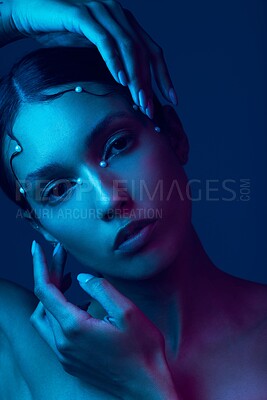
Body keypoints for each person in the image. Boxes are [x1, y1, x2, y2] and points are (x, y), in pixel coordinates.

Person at [0, 1, 266, 399]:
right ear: (38, 222)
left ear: (173, 134)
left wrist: (143, 389)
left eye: (118, 144)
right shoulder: (26, 356)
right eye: (58, 189)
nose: (109, 199)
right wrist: (13, 12)